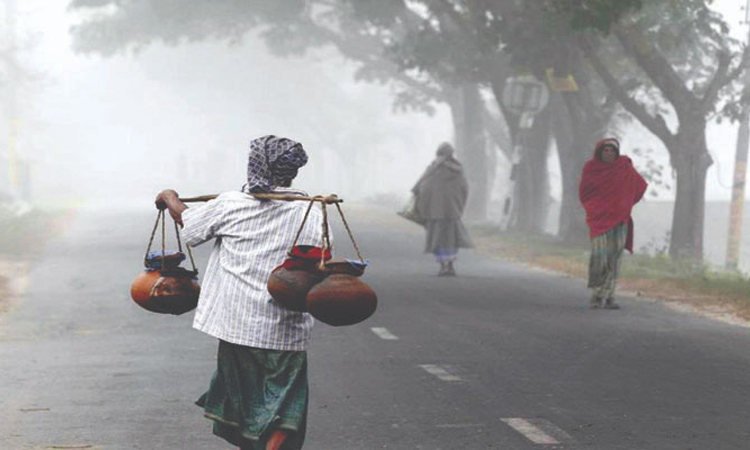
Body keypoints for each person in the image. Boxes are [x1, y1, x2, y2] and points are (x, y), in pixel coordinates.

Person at [155, 135, 326, 450]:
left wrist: (169, 197)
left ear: (255, 164)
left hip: (238, 323)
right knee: (284, 397)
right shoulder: (310, 209)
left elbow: (190, 226)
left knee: (245, 400)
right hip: (284, 326)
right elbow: (319, 258)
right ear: (292, 171)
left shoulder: (231, 203)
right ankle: (275, 438)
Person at [579, 138, 647, 310]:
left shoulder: (624, 167)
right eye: (605, 150)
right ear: (599, 152)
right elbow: (584, 193)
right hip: (599, 220)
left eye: (612, 151)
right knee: (600, 256)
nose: (608, 153)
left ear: (616, 153)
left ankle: (608, 295)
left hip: (619, 220)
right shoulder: (591, 169)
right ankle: (597, 293)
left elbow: (640, 186)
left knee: (614, 258)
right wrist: (593, 209)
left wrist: (625, 204)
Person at [412, 142, 473, 276]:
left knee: (437, 239)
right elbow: (465, 190)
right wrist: (458, 206)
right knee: (451, 239)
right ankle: (449, 264)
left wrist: (422, 207)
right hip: (452, 212)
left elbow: (419, 188)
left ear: (439, 154)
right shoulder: (458, 170)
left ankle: (443, 265)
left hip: (434, 213)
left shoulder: (432, 169)